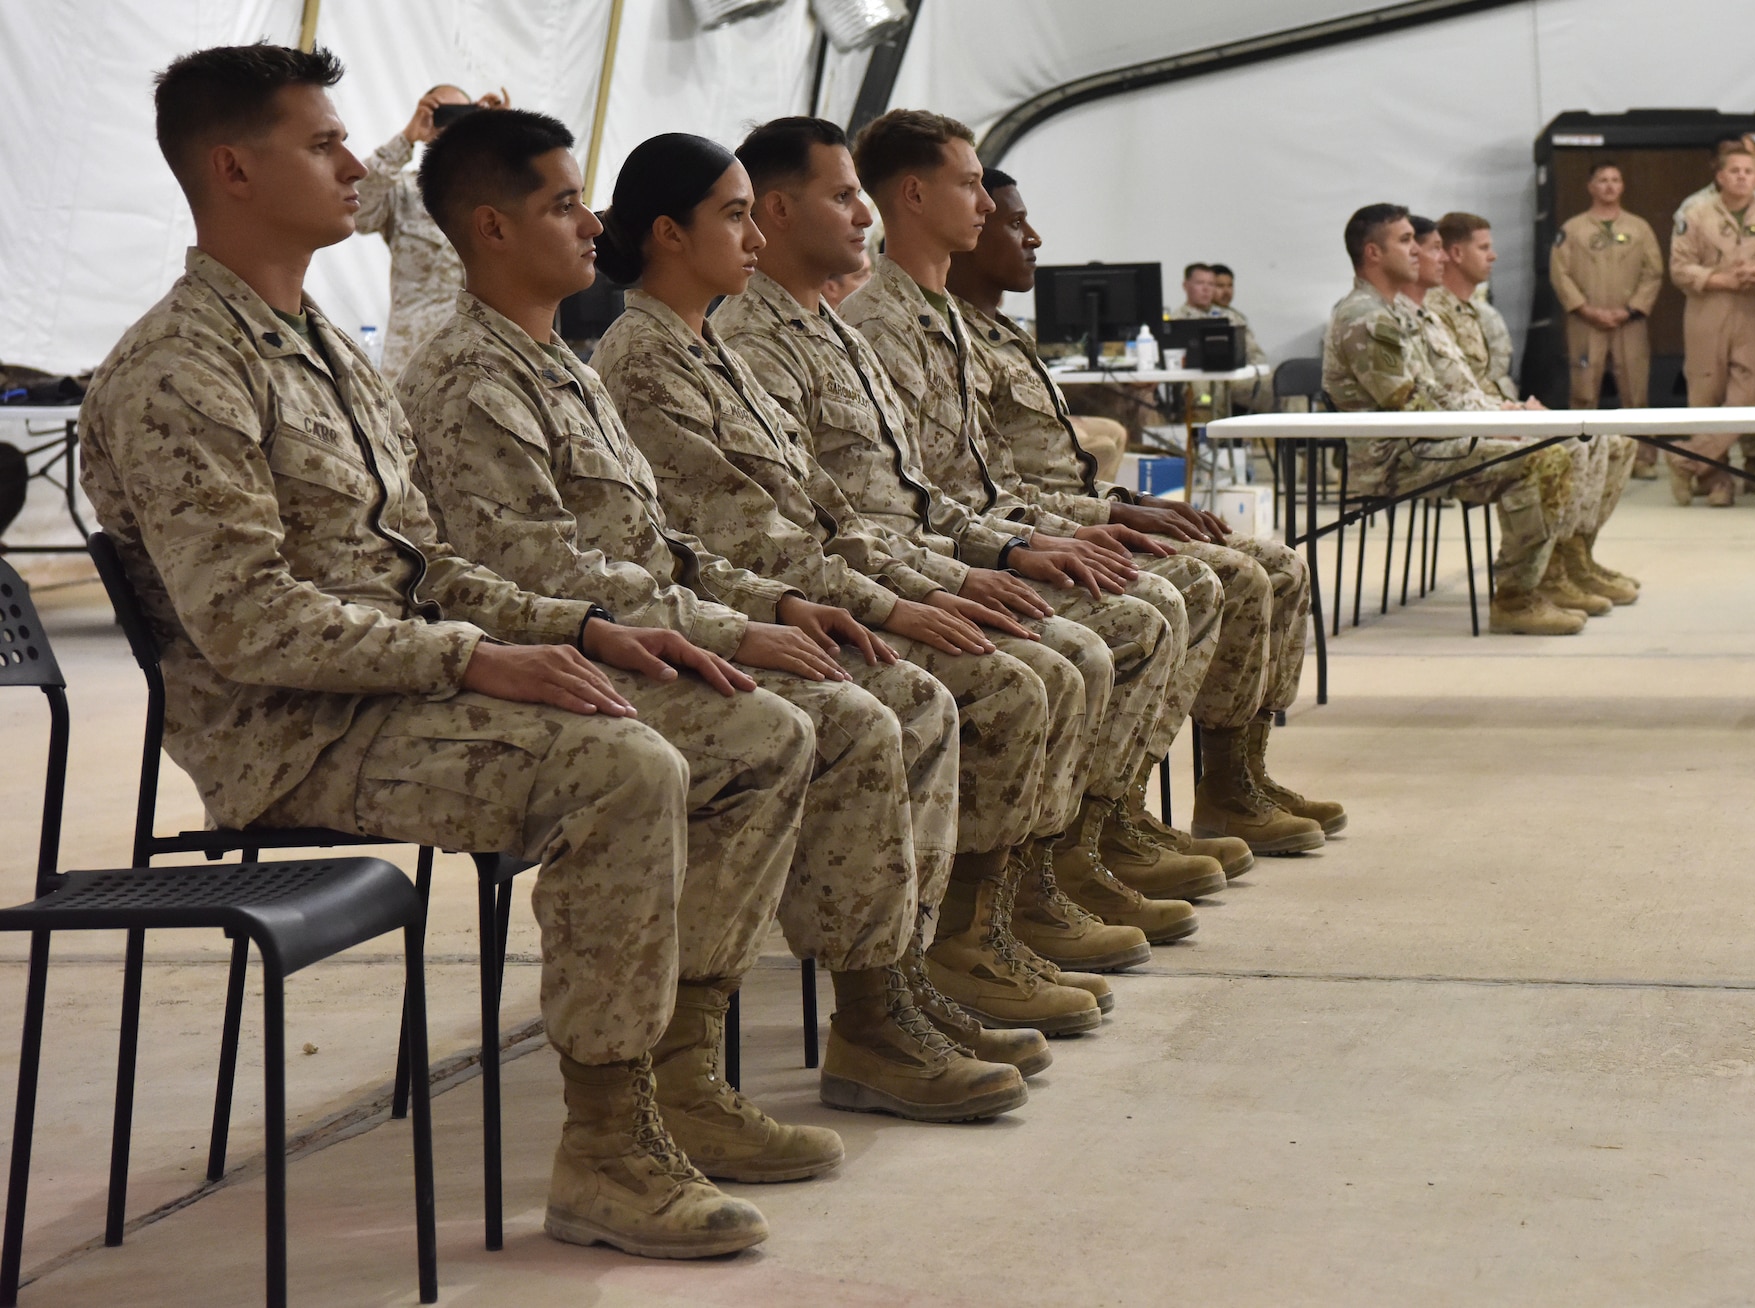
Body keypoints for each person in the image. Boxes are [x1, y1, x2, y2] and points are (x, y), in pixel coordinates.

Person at [86, 42, 809, 1260]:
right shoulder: (178, 369)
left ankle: (676, 1075)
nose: (351, 164)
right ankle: (605, 1148)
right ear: (233, 167)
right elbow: (250, 624)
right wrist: (473, 660)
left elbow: (424, 567)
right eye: (320, 143)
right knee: (622, 768)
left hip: (394, 690)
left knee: (756, 726)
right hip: (292, 734)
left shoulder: (320, 347)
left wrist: (579, 630)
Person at [397, 108, 1035, 1149]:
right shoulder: (494, 373)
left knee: (881, 698)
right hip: (563, 647)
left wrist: (775, 612)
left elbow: (677, 548)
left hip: (637, 624)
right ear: (492, 227)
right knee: (805, 722)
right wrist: (749, 625)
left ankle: (882, 1000)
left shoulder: (560, 361)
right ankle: (674, 1079)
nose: (590, 226)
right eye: (563, 206)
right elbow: (543, 576)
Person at [588, 132, 1124, 1042]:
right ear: (670, 234)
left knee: (1034, 652)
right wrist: (896, 602)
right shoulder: (648, 360)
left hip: (801, 591)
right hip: (735, 612)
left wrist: (951, 577)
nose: (753, 233)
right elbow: (745, 545)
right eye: (734, 214)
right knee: (944, 693)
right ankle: (887, 997)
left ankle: (951, 946)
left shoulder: (712, 348)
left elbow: (853, 510)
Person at [722, 114, 1216, 955]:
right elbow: (805, 534)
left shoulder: (844, 333)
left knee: (1158, 596)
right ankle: (965, 935)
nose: (864, 216)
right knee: (1065, 656)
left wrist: (1024, 545)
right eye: (843, 197)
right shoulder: (771, 341)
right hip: (832, 595)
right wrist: (936, 583)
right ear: (774, 212)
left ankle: (1048, 874)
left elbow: (933, 496)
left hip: (906, 561)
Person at [950, 164, 1336, 857]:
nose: (1031, 236)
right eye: (1010, 221)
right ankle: (1105, 825)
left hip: (1061, 516)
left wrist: (1121, 503)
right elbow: (989, 492)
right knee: (1226, 581)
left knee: (1276, 562)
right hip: (1018, 535)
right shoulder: (952, 342)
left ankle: (1233, 780)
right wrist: (1108, 518)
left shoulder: (999, 333)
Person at [1322, 203, 1580, 635]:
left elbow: (1437, 392)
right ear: (1373, 254)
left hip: (1424, 444)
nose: (1417, 251)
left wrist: (1499, 417)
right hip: (1396, 459)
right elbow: (1410, 407)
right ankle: (1516, 598)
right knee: (1540, 459)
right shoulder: (1366, 317)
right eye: (1405, 241)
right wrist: (1494, 425)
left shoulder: (1394, 312)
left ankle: (1547, 579)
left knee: (1546, 448)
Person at [1433, 211, 1638, 605]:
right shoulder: (1435, 313)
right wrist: (1506, 413)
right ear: (1456, 253)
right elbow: (1452, 388)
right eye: (1484, 247)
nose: (1493, 256)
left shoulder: (1481, 313)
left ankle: (1575, 558)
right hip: (1467, 426)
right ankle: (1543, 574)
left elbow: (1492, 378)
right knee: (1568, 446)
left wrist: (1518, 406)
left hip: (1492, 413)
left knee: (1614, 442)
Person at [1667, 143, 1755, 506]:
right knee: (1706, 394)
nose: (1742, 177)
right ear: (1720, 177)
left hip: (1753, 309)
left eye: (1748, 171)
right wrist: (1718, 279)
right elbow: (1679, 267)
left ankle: (1684, 458)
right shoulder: (1696, 214)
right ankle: (1718, 481)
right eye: (1734, 171)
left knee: (1748, 394)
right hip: (1707, 309)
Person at [354, 81, 507, 378]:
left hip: (482, 367)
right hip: (411, 369)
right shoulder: (402, 191)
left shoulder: (498, 195)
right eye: (439, 114)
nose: (448, 126)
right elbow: (357, 209)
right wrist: (406, 139)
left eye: (460, 115)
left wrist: (503, 136)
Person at [1550, 162, 1664, 477]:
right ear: (1591, 186)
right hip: (1586, 322)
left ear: (1623, 186)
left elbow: (1653, 273)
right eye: (1602, 180)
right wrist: (1584, 309)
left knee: (1635, 390)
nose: (1609, 186)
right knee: (1584, 389)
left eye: (1615, 179)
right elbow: (1560, 274)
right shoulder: (1573, 230)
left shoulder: (1639, 228)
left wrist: (1631, 309)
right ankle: (1581, 457)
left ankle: (1641, 457)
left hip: (1629, 322)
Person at [1171, 261, 1268, 411]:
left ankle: (1299, 432)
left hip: (1236, 379)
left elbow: (1255, 355)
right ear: (1186, 286)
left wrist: (1249, 369)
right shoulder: (1176, 321)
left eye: (1211, 284)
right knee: (1207, 392)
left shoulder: (1232, 317)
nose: (1206, 289)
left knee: (1282, 383)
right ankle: (1211, 433)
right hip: (1199, 380)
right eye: (1200, 283)